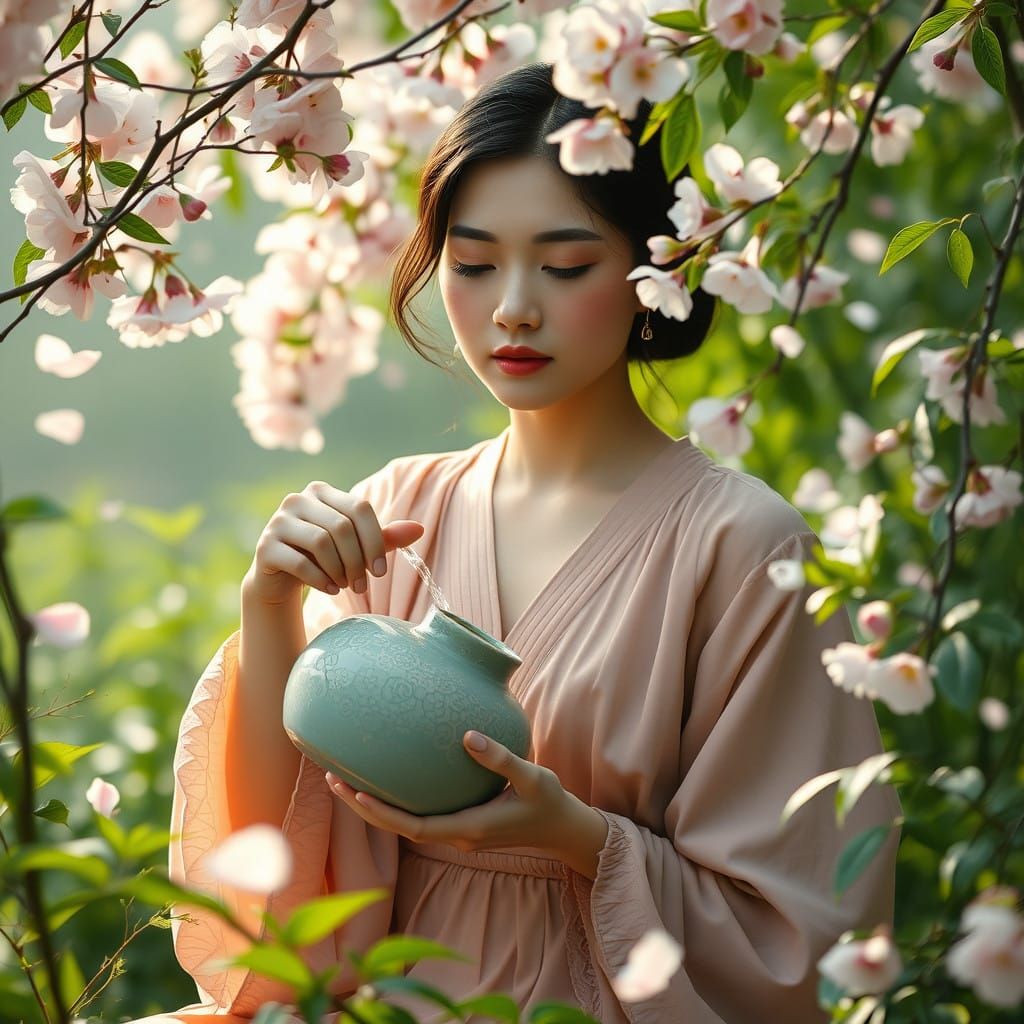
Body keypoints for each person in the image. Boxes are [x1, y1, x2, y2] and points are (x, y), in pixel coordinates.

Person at [142, 61, 900, 1024]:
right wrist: (270, 605)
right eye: (473, 263)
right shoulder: (397, 507)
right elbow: (282, 854)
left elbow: (795, 933)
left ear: (654, 272)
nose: (512, 307)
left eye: (565, 265)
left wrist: (579, 838)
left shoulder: (744, 548)